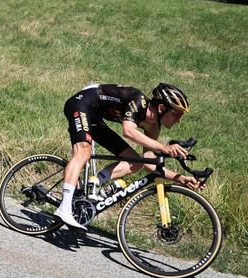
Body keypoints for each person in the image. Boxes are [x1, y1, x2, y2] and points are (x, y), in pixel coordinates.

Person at [53, 82, 198, 230]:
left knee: (136, 162)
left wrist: (179, 178)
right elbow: (128, 131)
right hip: (82, 104)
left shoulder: (154, 126)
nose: (178, 121)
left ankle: (94, 181)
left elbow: (148, 161)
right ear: (161, 108)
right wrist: (164, 147)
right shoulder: (138, 100)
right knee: (83, 152)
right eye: (177, 115)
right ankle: (64, 209)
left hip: (95, 117)